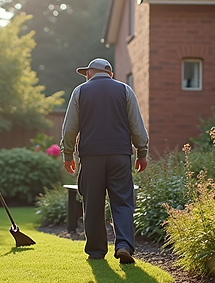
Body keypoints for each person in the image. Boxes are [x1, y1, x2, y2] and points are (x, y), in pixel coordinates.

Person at [60, 58, 149, 264]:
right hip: (119, 155)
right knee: (123, 202)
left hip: (91, 157)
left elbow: (70, 128)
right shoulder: (125, 90)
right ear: (110, 74)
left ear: (90, 73)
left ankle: (96, 251)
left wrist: (67, 155)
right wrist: (142, 153)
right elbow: (137, 125)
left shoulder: (80, 91)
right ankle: (124, 245)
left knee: (92, 204)